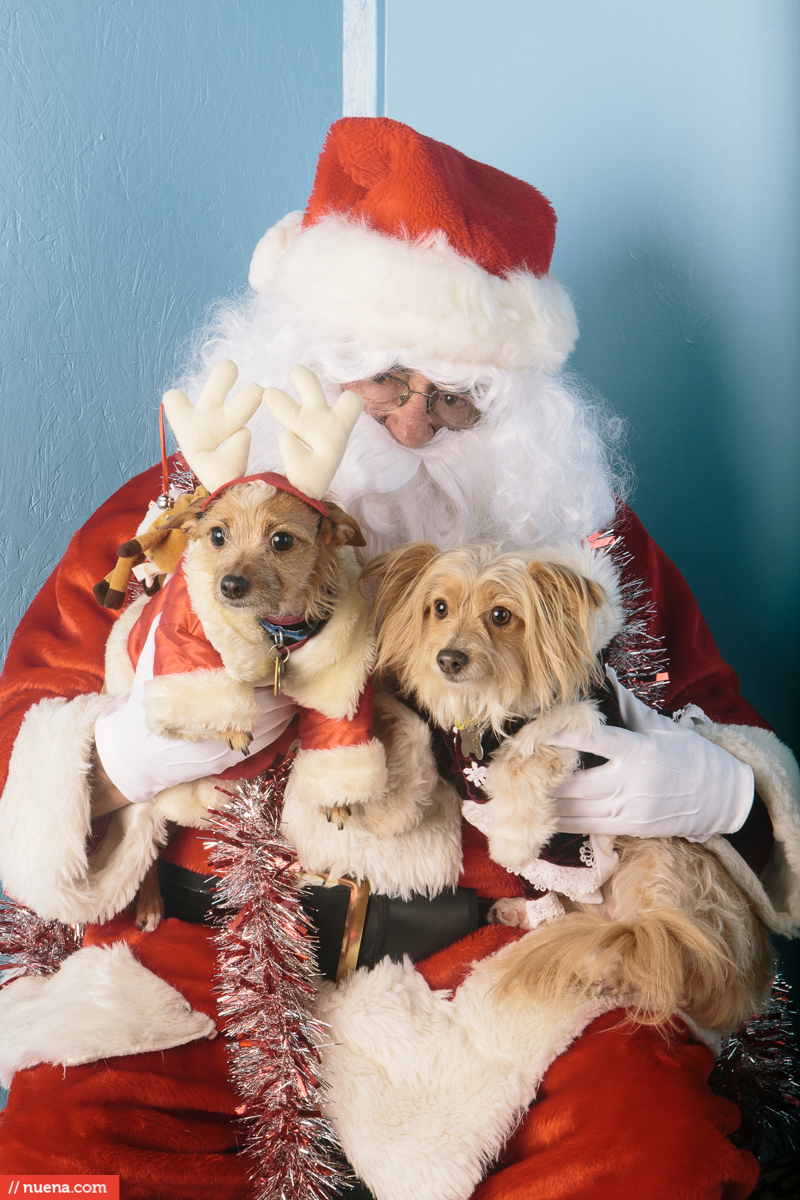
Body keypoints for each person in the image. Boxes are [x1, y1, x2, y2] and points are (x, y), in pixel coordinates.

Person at [0, 117, 797, 1200]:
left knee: (652, 1158)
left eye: (457, 396)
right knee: (59, 1175)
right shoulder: (178, 528)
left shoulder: (582, 544)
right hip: (197, 975)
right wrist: (126, 757)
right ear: (311, 365)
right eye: (385, 382)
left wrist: (715, 793)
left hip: (498, 980)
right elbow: (23, 726)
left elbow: (713, 714)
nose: (417, 426)